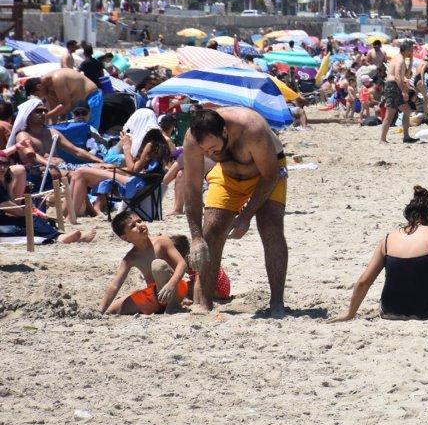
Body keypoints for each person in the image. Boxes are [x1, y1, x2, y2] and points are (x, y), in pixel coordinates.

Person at [181, 107, 289, 316]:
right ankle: (204, 302)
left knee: (270, 226)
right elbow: (192, 188)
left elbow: (270, 176)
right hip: (228, 176)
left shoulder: (252, 129)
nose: (210, 154)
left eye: (213, 149)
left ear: (224, 131)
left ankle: (277, 303)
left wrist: (245, 217)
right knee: (210, 230)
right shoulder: (193, 140)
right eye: (206, 152)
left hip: (266, 175)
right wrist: (195, 237)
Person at [331, 186, 428, 322]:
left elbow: (364, 280)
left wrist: (350, 313)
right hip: (427, 312)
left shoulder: (387, 239)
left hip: (389, 311)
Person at [99, 211, 189, 315]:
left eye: (139, 221)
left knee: (158, 266)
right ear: (125, 237)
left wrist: (171, 284)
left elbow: (182, 264)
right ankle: (160, 307)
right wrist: (101, 310)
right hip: (155, 295)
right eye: (133, 226)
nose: (139, 225)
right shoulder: (130, 258)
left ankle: (173, 305)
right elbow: (115, 285)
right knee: (113, 310)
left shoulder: (162, 241)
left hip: (176, 288)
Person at [24, 69, 103, 129]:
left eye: (37, 94)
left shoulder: (57, 78)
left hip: (91, 97)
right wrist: (52, 127)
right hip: (75, 105)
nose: (39, 97)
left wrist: (45, 116)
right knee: (74, 131)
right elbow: (54, 108)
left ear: (39, 86)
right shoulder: (46, 89)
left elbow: (66, 106)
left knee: (91, 130)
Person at [380, 40, 418, 144]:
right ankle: (382, 139)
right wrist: (404, 92)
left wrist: (411, 62)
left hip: (395, 86)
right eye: (410, 50)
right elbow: (397, 77)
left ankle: (406, 137)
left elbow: (407, 76)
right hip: (393, 87)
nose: (411, 52)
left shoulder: (401, 59)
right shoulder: (400, 60)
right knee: (390, 113)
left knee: (407, 111)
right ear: (405, 50)